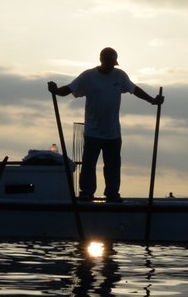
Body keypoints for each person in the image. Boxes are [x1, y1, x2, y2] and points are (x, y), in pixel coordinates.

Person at [48, 47, 163, 202]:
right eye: (109, 62)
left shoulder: (120, 75)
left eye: (113, 63)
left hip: (113, 133)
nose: (111, 66)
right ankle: (87, 192)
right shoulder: (88, 76)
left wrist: (152, 101)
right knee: (89, 164)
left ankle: (112, 193)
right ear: (102, 60)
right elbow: (68, 89)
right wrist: (55, 90)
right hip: (93, 132)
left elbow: (134, 90)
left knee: (113, 166)